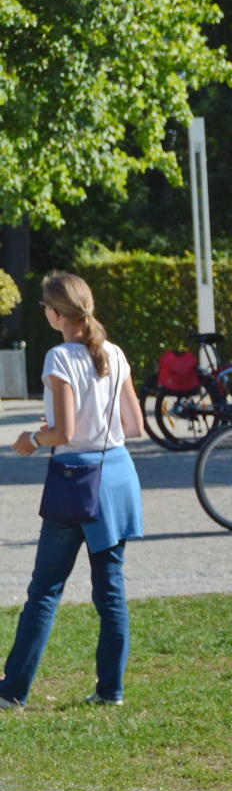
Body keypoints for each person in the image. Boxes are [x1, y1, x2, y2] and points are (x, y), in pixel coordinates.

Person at [1, 273, 144, 711]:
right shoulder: (115, 353)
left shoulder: (59, 357)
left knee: (45, 589)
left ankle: (12, 691)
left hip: (75, 482)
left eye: (45, 306)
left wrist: (32, 438)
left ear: (56, 313)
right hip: (117, 476)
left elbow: (64, 431)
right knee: (111, 592)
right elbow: (134, 426)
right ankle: (110, 691)